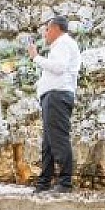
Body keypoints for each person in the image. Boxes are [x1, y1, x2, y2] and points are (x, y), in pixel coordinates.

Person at [27, 16, 81, 193]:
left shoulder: (63, 43)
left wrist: (36, 57)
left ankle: (65, 182)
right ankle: (44, 182)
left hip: (58, 96)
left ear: (56, 28)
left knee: (58, 139)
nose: (45, 34)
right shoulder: (60, 45)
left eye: (47, 30)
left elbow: (58, 67)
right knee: (48, 143)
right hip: (53, 96)